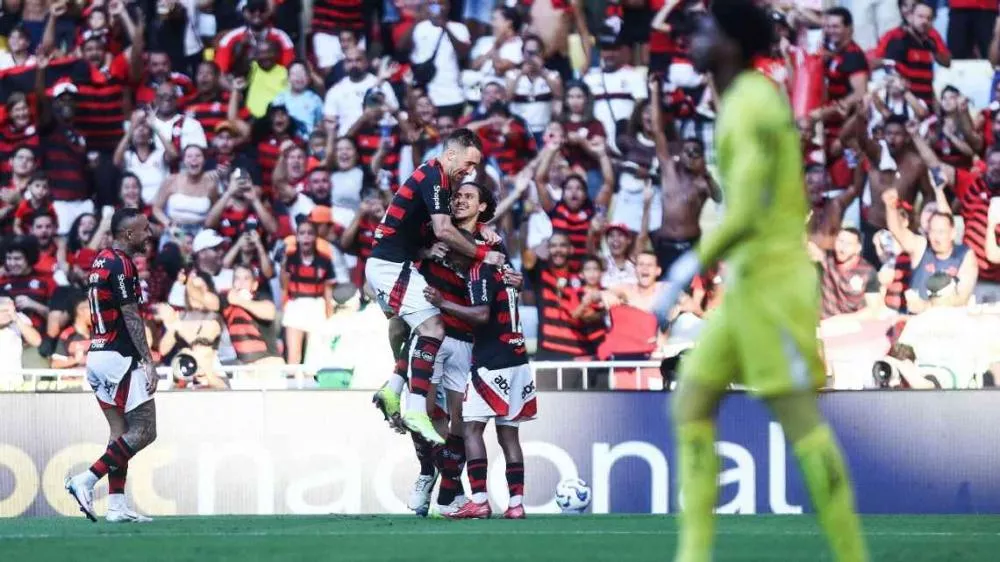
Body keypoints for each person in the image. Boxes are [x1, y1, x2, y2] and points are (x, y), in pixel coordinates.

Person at [652, 2, 867, 560]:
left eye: (708, 27)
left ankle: (851, 553)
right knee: (691, 403)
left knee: (799, 423)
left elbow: (745, 210)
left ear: (731, 42)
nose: (697, 36)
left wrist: (680, 268)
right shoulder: (741, 100)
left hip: (772, 288)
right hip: (746, 286)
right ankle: (693, 554)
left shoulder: (748, 105)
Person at [367, 129, 503, 445]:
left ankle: (393, 390)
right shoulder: (435, 177)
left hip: (394, 263)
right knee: (432, 328)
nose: (470, 172)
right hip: (390, 267)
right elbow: (444, 229)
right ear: (452, 153)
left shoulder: (436, 180)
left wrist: (428, 249)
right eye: (469, 164)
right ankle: (413, 408)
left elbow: (432, 227)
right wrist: (484, 252)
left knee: (419, 329)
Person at [425, 233, 536, 520]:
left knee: (471, 428)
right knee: (509, 436)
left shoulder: (479, 271)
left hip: (491, 360)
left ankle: (479, 501)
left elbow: (482, 315)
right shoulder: (504, 270)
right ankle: (516, 505)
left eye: (454, 253)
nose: (451, 259)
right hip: (518, 358)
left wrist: (443, 303)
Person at [65, 208, 157, 524]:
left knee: (119, 432)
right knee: (145, 430)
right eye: (145, 230)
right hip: (120, 357)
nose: (150, 234)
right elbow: (131, 315)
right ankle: (86, 480)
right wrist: (148, 359)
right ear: (129, 234)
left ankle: (116, 506)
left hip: (99, 354)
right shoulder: (122, 264)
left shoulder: (101, 259)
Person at [883, 188, 978, 311]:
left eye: (941, 232)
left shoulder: (965, 255)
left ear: (953, 233)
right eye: (932, 231)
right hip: (917, 319)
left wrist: (927, 306)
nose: (936, 237)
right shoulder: (922, 246)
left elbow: (962, 297)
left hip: (949, 320)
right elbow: (898, 231)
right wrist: (890, 207)